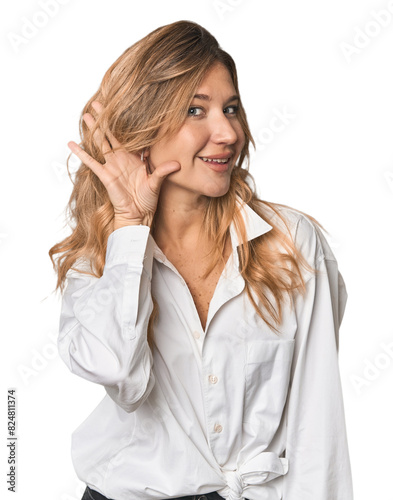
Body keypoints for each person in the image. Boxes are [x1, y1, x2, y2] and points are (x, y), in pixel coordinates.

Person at [49, 20, 353, 500]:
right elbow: (118, 376)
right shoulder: (103, 252)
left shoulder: (291, 243)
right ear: (144, 125)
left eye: (231, 108)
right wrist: (129, 224)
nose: (227, 131)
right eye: (196, 110)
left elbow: (318, 421)